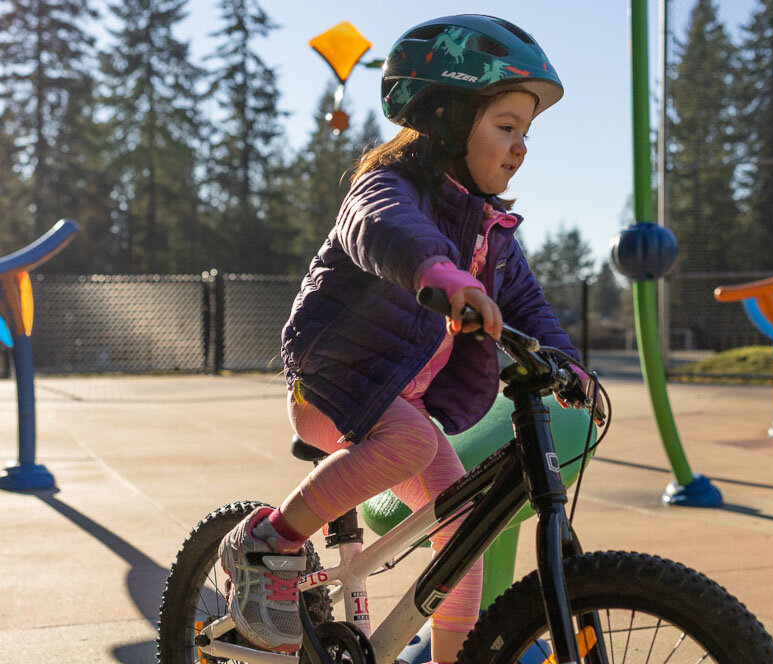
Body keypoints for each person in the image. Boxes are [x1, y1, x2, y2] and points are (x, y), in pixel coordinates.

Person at [217, 14, 595, 664]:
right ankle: (266, 541)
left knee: (463, 540)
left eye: (525, 132)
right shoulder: (389, 189)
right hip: (332, 380)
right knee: (416, 440)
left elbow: (527, 304)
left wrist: (569, 366)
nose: (520, 147)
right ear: (448, 119)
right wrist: (443, 276)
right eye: (506, 127)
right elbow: (387, 232)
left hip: (398, 404)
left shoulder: (492, 230)